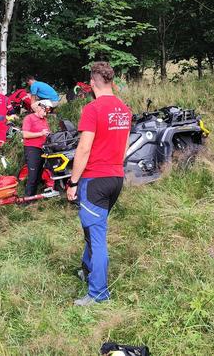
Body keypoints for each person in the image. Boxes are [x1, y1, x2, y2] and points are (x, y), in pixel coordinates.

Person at [66, 62, 131, 306]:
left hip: (95, 181)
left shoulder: (93, 109)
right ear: (112, 82)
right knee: (93, 229)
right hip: (116, 178)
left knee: (96, 236)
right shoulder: (125, 109)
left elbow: (83, 149)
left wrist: (73, 182)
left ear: (92, 84)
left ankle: (98, 293)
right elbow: (124, 146)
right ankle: (88, 270)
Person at [21, 100, 52, 197]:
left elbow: (46, 133)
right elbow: (25, 134)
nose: (46, 114)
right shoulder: (29, 118)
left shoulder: (44, 120)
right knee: (33, 176)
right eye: (45, 111)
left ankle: (34, 196)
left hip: (43, 149)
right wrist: (41, 133)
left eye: (47, 112)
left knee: (39, 174)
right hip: (32, 149)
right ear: (39, 108)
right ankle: (27, 199)